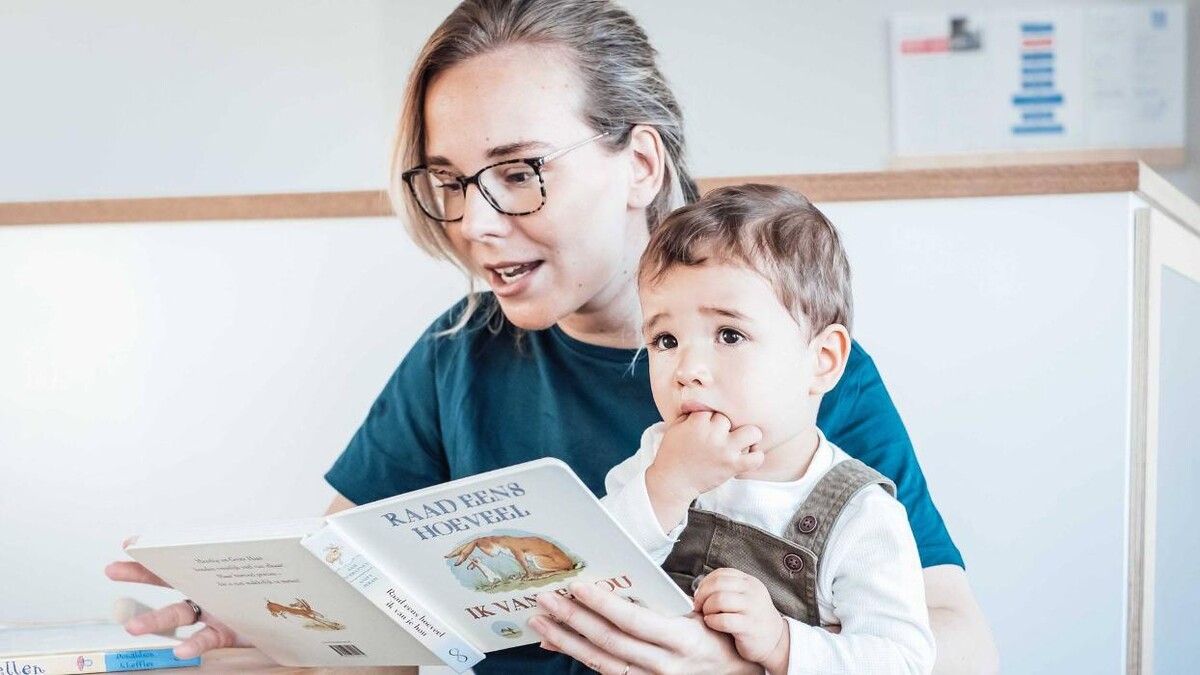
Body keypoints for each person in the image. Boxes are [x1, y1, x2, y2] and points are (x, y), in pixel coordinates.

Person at [105, 1, 998, 673]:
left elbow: (957, 639)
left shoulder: (787, 368)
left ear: (640, 165)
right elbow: (365, 612)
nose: (474, 224)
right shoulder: (458, 352)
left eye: (519, 172)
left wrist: (746, 664)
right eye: (450, 181)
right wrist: (258, 624)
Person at [601, 183, 934, 674]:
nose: (687, 368)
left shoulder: (861, 514)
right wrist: (667, 486)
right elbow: (592, 569)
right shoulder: (657, 461)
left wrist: (782, 644)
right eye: (665, 338)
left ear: (822, 361)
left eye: (729, 334)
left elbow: (903, 661)